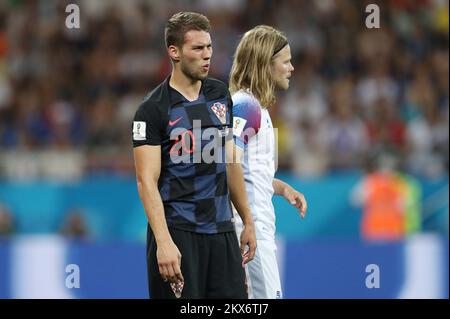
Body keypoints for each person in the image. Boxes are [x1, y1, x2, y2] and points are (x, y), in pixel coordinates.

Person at [132, 12, 256, 299]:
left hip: (222, 232)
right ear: (174, 52)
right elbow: (145, 181)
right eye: (197, 48)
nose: (207, 55)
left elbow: (230, 161)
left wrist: (247, 221)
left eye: (209, 47)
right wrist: (163, 242)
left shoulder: (219, 94)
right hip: (178, 233)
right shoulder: (152, 109)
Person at [229, 25, 308, 299]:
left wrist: (282, 188)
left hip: (254, 229)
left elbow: (247, 169)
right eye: (286, 61)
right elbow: (228, 162)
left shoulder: (256, 108)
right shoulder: (246, 106)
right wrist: (248, 222)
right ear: (266, 64)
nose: (292, 68)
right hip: (250, 231)